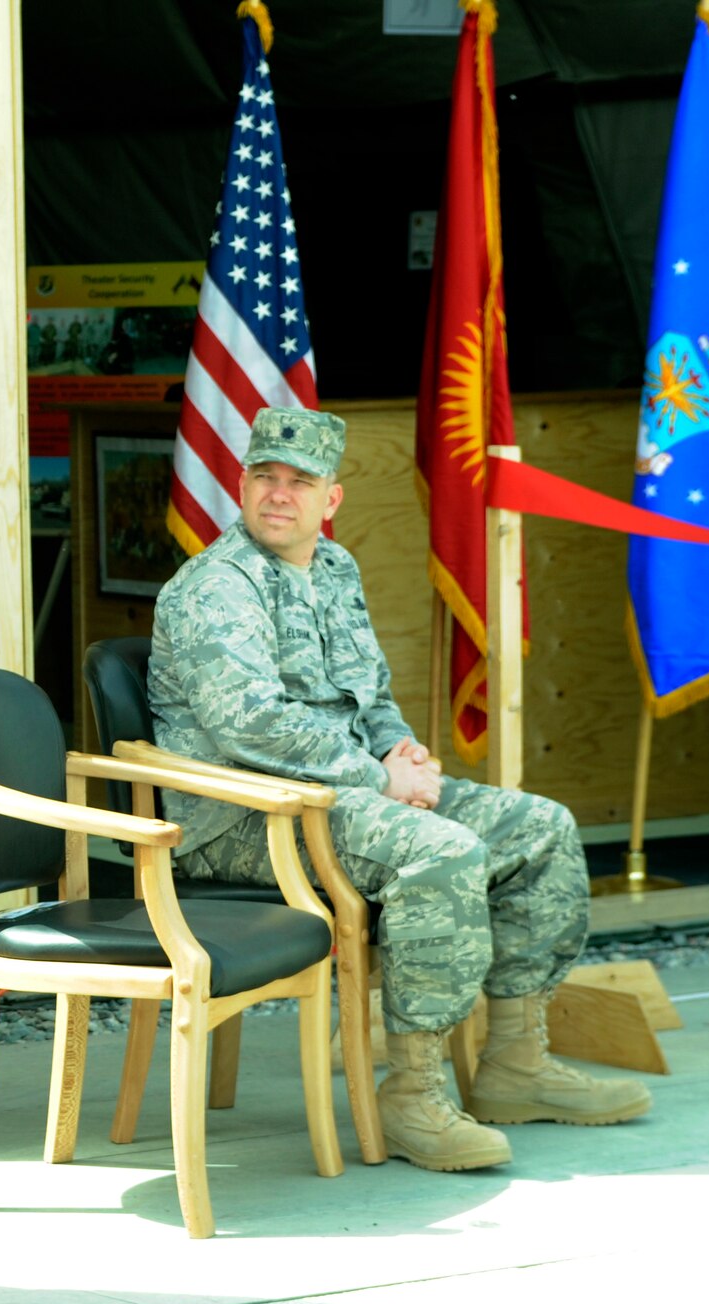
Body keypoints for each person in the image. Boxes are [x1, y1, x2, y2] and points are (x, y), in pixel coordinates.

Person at [147, 405, 652, 1173]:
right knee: (441, 852)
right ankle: (413, 1092)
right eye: (264, 478)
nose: (278, 495)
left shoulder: (333, 568)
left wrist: (396, 748)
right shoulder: (214, 588)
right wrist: (379, 776)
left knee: (538, 826)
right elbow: (249, 724)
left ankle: (514, 1060)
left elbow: (370, 693)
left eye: (299, 482)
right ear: (242, 484)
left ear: (332, 500)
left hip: (344, 795)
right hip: (248, 817)